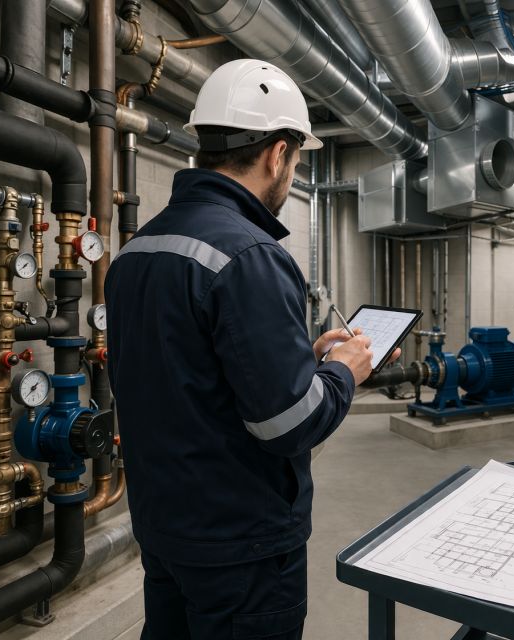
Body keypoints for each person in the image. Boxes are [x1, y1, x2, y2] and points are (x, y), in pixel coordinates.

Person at [105, 59, 398, 640]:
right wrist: (342, 373)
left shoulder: (138, 250)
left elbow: (191, 378)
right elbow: (289, 424)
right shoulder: (251, 254)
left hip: (166, 530)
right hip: (240, 547)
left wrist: (303, 362)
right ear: (277, 153)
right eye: (295, 160)